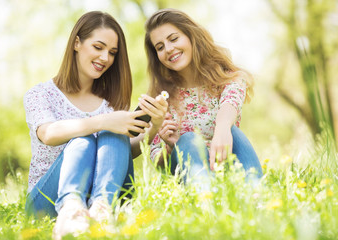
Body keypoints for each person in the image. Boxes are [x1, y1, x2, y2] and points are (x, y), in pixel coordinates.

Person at [23, 11, 167, 239]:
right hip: (46, 201)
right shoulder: (40, 94)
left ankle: (102, 209)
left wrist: (155, 124)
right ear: (77, 43)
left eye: (112, 53)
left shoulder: (109, 104)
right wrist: (102, 121)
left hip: (102, 196)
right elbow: (48, 133)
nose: (105, 58)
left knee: (114, 135)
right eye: (98, 47)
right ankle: (70, 208)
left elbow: (122, 153)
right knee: (83, 138)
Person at [144, 8, 262, 191]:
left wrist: (222, 128)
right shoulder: (161, 99)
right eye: (160, 47)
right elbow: (159, 164)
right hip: (187, 175)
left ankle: (255, 193)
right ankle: (206, 202)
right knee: (189, 139)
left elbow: (231, 102)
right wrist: (171, 146)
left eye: (174, 39)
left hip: (224, 164)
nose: (168, 49)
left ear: (191, 36)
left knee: (233, 132)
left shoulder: (226, 78)